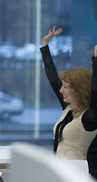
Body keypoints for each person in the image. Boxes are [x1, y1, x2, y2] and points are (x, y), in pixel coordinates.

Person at [40, 26, 97, 161]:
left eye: (66, 87)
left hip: (78, 176)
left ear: (79, 90)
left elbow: (95, 90)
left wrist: (96, 60)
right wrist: (45, 46)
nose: (61, 90)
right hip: (61, 173)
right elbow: (53, 79)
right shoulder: (69, 109)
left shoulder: (90, 117)